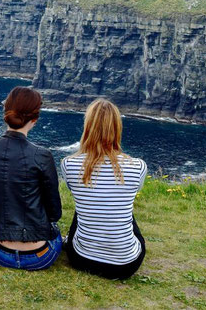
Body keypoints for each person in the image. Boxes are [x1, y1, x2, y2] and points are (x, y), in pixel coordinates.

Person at [0, 86, 63, 270]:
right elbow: (55, 213)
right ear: (35, 119)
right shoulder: (42, 155)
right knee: (57, 233)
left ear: (5, 111)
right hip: (39, 256)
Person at [61, 98, 147, 280]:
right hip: (126, 265)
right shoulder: (138, 166)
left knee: (83, 206)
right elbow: (136, 189)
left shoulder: (68, 165)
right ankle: (116, 247)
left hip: (81, 259)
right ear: (117, 128)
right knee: (126, 211)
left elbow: (73, 190)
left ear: (88, 126)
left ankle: (85, 243)